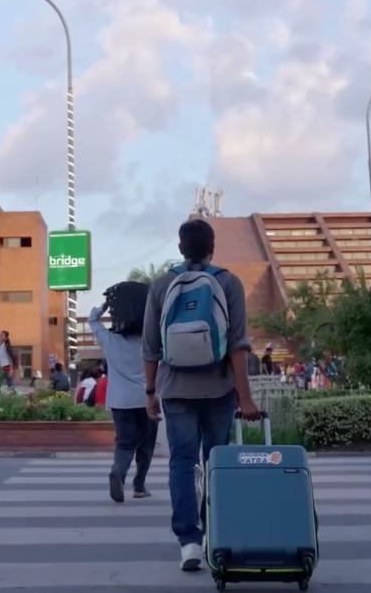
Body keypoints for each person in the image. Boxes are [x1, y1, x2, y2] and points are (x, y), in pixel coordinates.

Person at [142, 218, 261, 572]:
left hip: (175, 389)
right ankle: (215, 532)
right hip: (219, 389)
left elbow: (150, 347)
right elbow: (238, 345)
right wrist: (245, 397)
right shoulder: (228, 282)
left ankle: (189, 542)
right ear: (212, 247)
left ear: (180, 248)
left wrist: (150, 391)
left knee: (181, 462)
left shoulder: (162, 285)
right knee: (216, 461)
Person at [89, 284, 157, 503]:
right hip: (147, 400)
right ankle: (139, 486)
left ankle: (118, 473)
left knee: (124, 443)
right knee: (146, 444)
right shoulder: (150, 340)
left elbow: (92, 319)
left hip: (120, 402)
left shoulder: (110, 340)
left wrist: (105, 305)